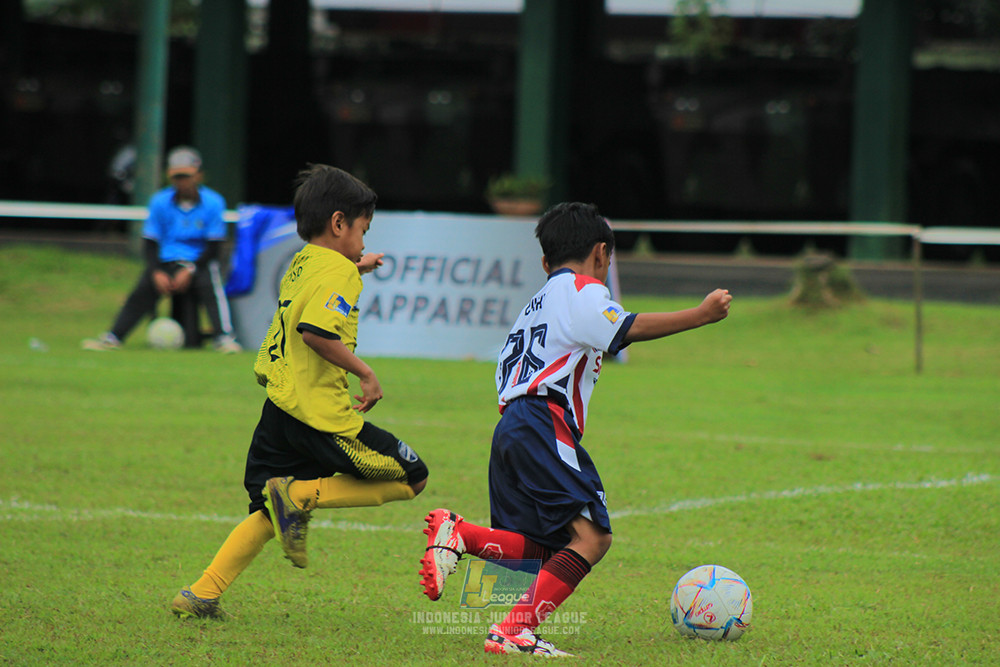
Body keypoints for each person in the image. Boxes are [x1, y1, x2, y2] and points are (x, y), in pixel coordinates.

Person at [418, 202, 732, 657]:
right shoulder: (583, 290)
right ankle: (513, 630)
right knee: (593, 538)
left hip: (512, 424)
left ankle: (460, 535)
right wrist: (700, 314)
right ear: (602, 254)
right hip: (543, 421)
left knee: (545, 550)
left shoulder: (536, 304)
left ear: (545, 262)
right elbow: (625, 329)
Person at [170, 164, 429, 619]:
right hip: (319, 415)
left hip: (280, 408)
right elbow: (315, 331)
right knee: (412, 478)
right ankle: (302, 496)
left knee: (268, 513)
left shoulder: (304, 259)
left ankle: (201, 593)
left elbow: (316, 294)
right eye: (362, 231)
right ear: (338, 223)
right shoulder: (340, 273)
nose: (364, 242)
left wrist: (356, 265)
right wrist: (365, 373)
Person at [82, 145, 242, 353]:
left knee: (211, 285)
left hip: (198, 262)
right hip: (166, 261)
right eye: (177, 177)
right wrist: (156, 271)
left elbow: (214, 246)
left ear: (199, 176)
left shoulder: (214, 202)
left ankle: (224, 338)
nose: (182, 182)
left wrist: (190, 269)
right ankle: (114, 337)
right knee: (141, 291)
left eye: (187, 176)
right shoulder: (159, 201)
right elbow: (150, 242)